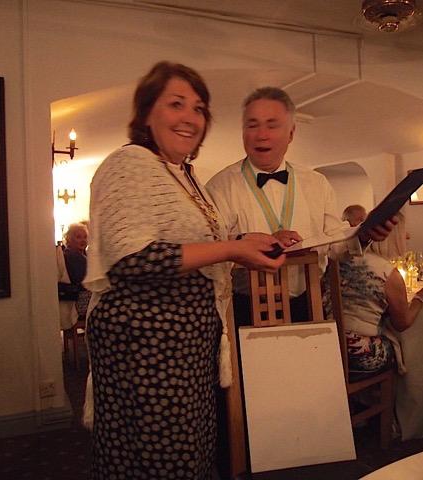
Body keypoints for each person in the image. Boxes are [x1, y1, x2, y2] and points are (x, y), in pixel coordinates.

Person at [82, 62, 285, 480]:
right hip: (147, 349)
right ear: (146, 113)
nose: (190, 117)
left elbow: (196, 244)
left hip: (186, 350)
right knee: (159, 462)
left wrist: (246, 240)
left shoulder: (182, 175)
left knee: (189, 457)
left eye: (199, 108)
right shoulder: (130, 164)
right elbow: (130, 259)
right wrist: (232, 248)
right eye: (176, 104)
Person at [206, 86, 396, 324]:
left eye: (272, 125)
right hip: (243, 310)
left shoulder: (317, 183)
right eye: (252, 125)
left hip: (308, 305)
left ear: (291, 133)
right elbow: (211, 252)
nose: (261, 134)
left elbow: (336, 246)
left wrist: (365, 233)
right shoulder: (219, 186)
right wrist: (264, 244)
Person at [331, 251, 423, 375]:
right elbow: (402, 323)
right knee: (402, 351)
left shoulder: (333, 259)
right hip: (356, 354)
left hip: (329, 345)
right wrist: (419, 299)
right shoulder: (386, 272)